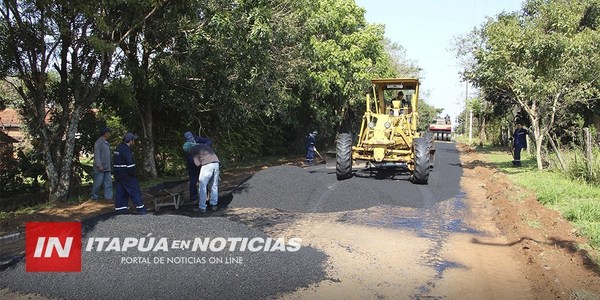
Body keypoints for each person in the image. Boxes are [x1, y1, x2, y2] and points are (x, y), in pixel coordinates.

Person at [113, 133, 147, 214]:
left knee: (121, 191)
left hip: (118, 174)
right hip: (126, 174)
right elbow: (130, 163)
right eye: (133, 140)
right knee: (135, 190)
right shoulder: (126, 149)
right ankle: (141, 210)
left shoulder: (118, 148)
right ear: (131, 141)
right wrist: (133, 174)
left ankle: (121, 210)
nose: (134, 142)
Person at [188, 143, 220, 213]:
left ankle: (202, 207)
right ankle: (214, 205)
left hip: (207, 165)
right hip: (216, 163)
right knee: (214, 186)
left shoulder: (192, 150)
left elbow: (197, 163)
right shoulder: (203, 146)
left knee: (202, 186)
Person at [182, 131, 212, 202]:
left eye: (191, 138)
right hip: (193, 165)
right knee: (193, 180)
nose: (191, 141)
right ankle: (193, 197)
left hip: (202, 163)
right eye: (189, 140)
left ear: (193, 136)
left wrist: (204, 146)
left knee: (204, 180)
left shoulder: (198, 139)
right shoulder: (186, 146)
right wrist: (197, 163)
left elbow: (209, 141)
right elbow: (190, 159)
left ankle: (206, 195)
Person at [91, 127, 113, 200]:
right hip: (100, 167)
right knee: (97, 183)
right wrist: (99, 165)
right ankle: (94, 197)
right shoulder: (98, 142)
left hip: (107, 167)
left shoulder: (107, 143)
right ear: (105, 134)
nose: (109, 134)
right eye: (108, 133)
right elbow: (97, 155)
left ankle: (108, 198)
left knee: (108, 183)